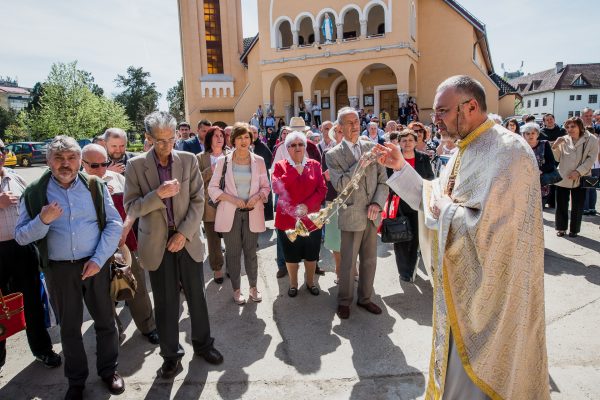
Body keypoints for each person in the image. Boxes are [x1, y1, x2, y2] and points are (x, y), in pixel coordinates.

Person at [378, 75, 549, 399]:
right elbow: (435, 200)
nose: (435, 120)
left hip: (495, 304)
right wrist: (401, 167)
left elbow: (501, 236)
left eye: (442, 111)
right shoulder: (461, 152)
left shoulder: (509, 152)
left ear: (470, 106)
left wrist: (448, 213)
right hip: (462, 296)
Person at [16, 136, 125, 399]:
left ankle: (109, 370)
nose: (66, 163)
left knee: (106, 322)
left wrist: (99, 260)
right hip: (60, 270)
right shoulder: (34, 192)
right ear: (49, 161)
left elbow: (114, 224)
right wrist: (43, 220)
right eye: (59, 158)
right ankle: (76, 381)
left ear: (79, 161)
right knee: (70, 328)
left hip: (95, 265)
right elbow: (21, 236)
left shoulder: (95, 186)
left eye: (71, 158)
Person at [124, 111, 223, 380]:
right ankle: (170, 356)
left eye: (171, 139)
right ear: (148, 138)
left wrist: (183, 234)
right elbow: (131, 207)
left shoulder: (188, 160)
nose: (167, 145)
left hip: (186, 239)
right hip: (156, 244)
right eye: (160, 140)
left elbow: (198, 201)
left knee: (197, 298)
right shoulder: (134, 166)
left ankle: (203, 345)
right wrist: (157, 195)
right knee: (166, 303)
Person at [81, 144, 159, 344]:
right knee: (103, 296)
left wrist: (126, 228)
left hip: (124, 243)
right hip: (92, 250)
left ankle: (148, 326)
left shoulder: (117, 179)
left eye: (104, 164)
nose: (100, 170)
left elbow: (133, 206)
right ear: (82, 164)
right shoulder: (76, 184)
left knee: (137, 286)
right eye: (94, 166)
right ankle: (113, 331)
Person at [0, 139, 62, 374]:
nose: (1, 154)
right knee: (0, 307)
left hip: (22, 249)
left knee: (33, 303)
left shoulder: (15, 177)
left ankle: (42, 350)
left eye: (3, 149)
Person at [326, 107, 388, 320]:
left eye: (356, 121)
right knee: (348, 262)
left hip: (372, 214)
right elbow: (342, 185)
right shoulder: (332, 155)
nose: (355, 125)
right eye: (349, 122)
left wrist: (378, 204)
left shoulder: (372, 147)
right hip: (351, 215)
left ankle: (365, 298)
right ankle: (344, 301)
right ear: (340, 128)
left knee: (370, 260)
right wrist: (361, 163)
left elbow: (383, 180)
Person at [208, 123, 270, 305]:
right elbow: (212, 188)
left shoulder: (258, 160)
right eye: (240, 137)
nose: (244, 141)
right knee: (233, 253)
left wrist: (258, 196)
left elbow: (266, 187)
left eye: (247, 137)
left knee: (251, 252)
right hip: (231, 214)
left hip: (252, 212)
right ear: (233, 140)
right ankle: (236, 289)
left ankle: (253, 287)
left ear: (251, 139)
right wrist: (232, 199)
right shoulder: (223, 161)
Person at [272, 131, 327, 297]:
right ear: (287, 148)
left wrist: (307, 206)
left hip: (311, 219)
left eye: (300, 144)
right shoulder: (280, 165)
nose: (297, 148)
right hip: (287, 219)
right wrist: (295, 170)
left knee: (312, 254)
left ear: (305, 146)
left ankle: (310, 282)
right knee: (291, 255)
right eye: (293, 145)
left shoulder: (315, 165)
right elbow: (276, 188)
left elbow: (322, 189)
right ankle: (293, 284)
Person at [390, 129, 434, 282]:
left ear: (416, 142)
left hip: (418, 204)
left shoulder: (423, 158)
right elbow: (388, 181)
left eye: (410, 140)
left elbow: (430, 178)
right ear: (399, 143)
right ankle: (405, 272)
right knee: (401, 238)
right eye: (404, 140)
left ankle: (413, 265)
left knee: (416, 237)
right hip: (399, 204)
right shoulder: (394, 159)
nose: (407, 143)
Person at [551, 117, 599, 237]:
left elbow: (591, 159)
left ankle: (574, 230)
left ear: (580, 126)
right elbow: (557, 158)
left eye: (573, 126)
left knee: (578, 205)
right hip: (563, 175)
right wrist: (555, 146)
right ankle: (561, 228)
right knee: (561, 204)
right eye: (567, 127)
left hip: (581, 176)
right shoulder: (564, 139)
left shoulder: (591, 139)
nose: (570, 129)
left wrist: (578, 172)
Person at [197, 127, 228, 284]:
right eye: (216, 136)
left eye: (221, 135)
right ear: (209, 139)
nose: (219, 138)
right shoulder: (200, 158)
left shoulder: (231, 155)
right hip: (209, 206)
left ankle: (231, 265)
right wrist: (212, 169)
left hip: (230, 204)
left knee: (231, 238)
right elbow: (196, 181)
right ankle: (217, 269)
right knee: (213, 240)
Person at [521, 123, 557, 205]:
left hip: (541, 182)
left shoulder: (544, 144)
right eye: (528, 133)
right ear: (523, 135)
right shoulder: (521, 146)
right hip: (524, 182)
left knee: (538, 209)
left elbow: (551, 163)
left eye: (533, 133)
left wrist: (540, 170)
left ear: (537, 134)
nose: (531, 135)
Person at [249, 125, 274, 222]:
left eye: (255, 132)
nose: (253, 135)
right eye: (250, 132)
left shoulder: (263, 145)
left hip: (261, 177)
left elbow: (269, 160)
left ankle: (263, 218)